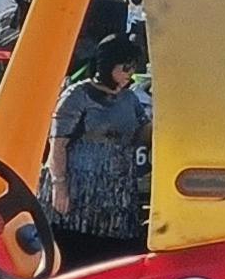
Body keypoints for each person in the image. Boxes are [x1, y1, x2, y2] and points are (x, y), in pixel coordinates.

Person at [50, 42, 152, 252]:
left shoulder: (130, 98)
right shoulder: (77, 95)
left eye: (133, 68)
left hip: (118, 192)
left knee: (116, 251)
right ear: (108, 65)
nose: (129, 74)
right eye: (125, 68)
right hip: (81, 191)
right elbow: (58, 143)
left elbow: (144, 131)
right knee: (78, 249)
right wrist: (59, 186)